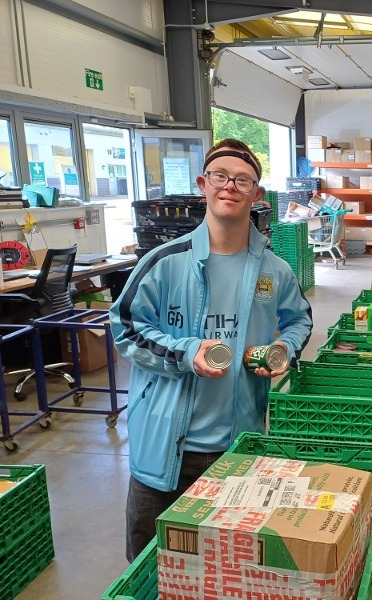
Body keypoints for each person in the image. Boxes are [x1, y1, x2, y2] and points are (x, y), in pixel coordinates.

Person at [109, 138, 313, 561]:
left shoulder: (275, 270)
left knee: (228, 565)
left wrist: (284, 349)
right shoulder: (164, 262)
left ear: (257, 195)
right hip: (165, 449)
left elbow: (300, 320)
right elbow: (125, 327)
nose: (230, 187)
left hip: (238, 446)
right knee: (152, 566)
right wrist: (186, 352)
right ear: (204, 184)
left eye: (243, 180)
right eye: (220, 177)